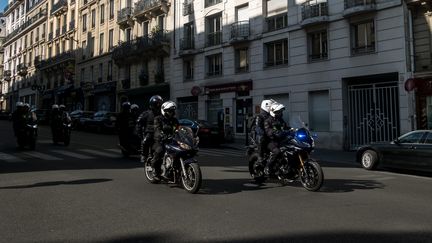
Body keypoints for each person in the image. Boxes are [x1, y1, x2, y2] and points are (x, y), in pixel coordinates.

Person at [151, 100, 179, 180]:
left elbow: (178, 129)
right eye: (169, 111)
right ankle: (155, 171)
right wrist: (161, 135)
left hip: (171, 140)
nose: (171, 113)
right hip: (160, 140)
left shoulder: (174, 120)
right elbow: (157, 129)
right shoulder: (158, 119)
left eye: (172, 111)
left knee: (180, 151)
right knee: (160, 150)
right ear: (164, 111)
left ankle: (173, 170)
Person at [264, 102, 289, 175]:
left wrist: (293, 129)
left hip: (280, 140)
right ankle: (268, 167)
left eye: (281, 112)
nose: (280, 113)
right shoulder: (268, 121)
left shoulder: (280, 120)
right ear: (273, 111)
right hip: (270, 141)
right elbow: (268, 130)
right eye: (278, 112)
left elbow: (285, 127)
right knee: (277, 152)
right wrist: (274, 132)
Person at [136, 95, 163, 163]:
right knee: (145, 140)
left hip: (160, 133)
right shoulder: (146, 113)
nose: (158, 106)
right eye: (156, 104)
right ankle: (144, 155)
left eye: (159, 104)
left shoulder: (162, 113)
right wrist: (139, 133)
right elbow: (139, 123)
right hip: (150, 133)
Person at [250, 99, 277, 165]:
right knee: (262, 137)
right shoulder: (259, 117)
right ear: (266, 106)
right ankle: (260, 156)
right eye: (271, 107)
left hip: (269, 135)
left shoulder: (271, 116)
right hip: (261, 136)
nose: (272, 108)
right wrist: (263, 133)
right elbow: (257, 127)